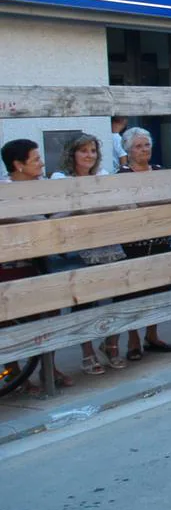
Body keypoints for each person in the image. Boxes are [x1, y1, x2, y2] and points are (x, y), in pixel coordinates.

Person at [50, 135, 128, 375]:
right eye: (83, 150)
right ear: (72, 154)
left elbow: (114, 205)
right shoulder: (60, 178)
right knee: (84, 300)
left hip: (106, 242)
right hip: (79, 245)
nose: (89, 155)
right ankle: (87, 352)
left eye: (93, 151)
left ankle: (112, 344)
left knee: (118, 296)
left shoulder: (102, 175)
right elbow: (60, 213)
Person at [1, 139, 73, 392]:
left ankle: (48, 368)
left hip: (40, 263)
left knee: (49, 313)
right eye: (35, 159)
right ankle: (15, 372)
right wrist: (46, 218)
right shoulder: (4, 191)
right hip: (9, 267)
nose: (41, 163)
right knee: (10, 319)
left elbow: (63, 212)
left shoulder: (44, 187)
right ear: (18, 165)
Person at [117, 127, 171, 360]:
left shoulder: (160, 171)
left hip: (161, 238)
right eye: (138, 146)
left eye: (146, 145)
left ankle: (152, 335)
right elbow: (130, 206)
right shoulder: (122, 175)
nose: (144, 150)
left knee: (159, 288)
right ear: (128, 150)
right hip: (134, 243)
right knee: (134, 291)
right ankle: (133, 340)